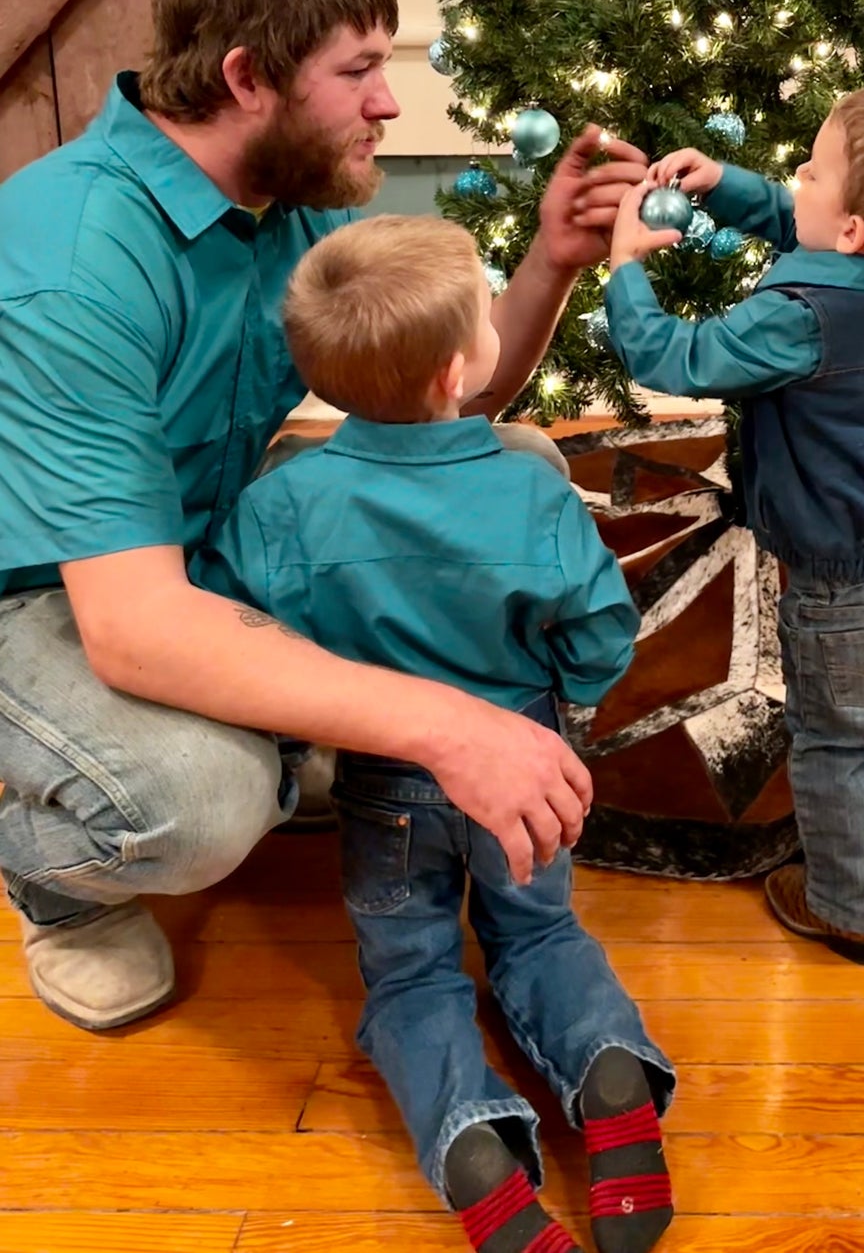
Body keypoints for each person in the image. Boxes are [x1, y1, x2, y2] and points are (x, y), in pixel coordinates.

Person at [0, 0, 650, 1033]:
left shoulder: (276, 201)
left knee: (511, 467)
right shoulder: (76, 262)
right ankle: (53, 876)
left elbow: (444, 399)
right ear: (249, 78)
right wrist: (449, 725)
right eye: (357, 71)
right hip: (55, 585)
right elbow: (134, 625)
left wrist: (550, 260)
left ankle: (296, 733)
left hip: (195, 538)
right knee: (202, 802)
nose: (387, 104)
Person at [196, 215, 673, 1253]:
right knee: (541, 931)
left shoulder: (283, 503)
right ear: (461, 370)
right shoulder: (532, 487)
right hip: (529, 765)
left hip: (385, 787)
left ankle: (471, 1153)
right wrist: (567, 692)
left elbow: (233, 628)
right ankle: (607, 1074)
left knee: (413, 976)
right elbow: (600, 632)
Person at [603, 84, 864, 965]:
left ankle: (847, 905)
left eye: (810, 170)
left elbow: (676, 355)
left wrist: (625, 267)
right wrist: (727, 185)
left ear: (855, 229)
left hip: (843, 582)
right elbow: (809, 225)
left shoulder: (799, 318)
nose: (795, 178)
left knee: (836, 741)